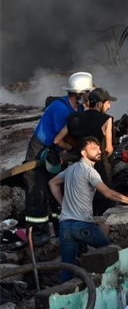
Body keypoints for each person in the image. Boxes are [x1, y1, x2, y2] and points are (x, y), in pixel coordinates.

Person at [49, 137, 128, 281]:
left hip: (65, 226)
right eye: (93, 149)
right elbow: (108, 193)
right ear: (84, 153)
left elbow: (53, 182)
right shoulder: (89, 171)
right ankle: (118, 281)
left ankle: (63, 298)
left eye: (98, 148)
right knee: (111, 252)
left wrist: (62, 203)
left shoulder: (71, 169)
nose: (98, 151)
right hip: (82, 225)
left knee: (67, 269)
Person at [24, 72, 93, 244]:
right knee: (36, 189)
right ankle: (37, 233)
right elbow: (62, 139)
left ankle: (58, 226)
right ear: (79, 93)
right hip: (40, 148)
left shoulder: (80, 108)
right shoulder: (59, 108)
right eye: (87, 91)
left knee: (57, 186)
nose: (89, 94)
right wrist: (73, 149)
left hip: (57, 149)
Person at [53, 87, 117, 214]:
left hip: (79, 166)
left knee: (85, 203)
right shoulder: (106, 119)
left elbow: (57, 141)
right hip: (99, 167)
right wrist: (105, 155)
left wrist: (72, 148)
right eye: (108, 103)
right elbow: (108, 149)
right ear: (99, 104)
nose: (109, 107)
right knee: (104, 207)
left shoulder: (74, 118)